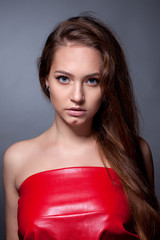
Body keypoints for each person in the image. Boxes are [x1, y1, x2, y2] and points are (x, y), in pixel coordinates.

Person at [3, 14, 160, 240]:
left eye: (92, 80)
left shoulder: (134, 150)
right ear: (45, 78)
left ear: (107, 86)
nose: (77, 96)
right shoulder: (16, 159)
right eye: (64, 78)